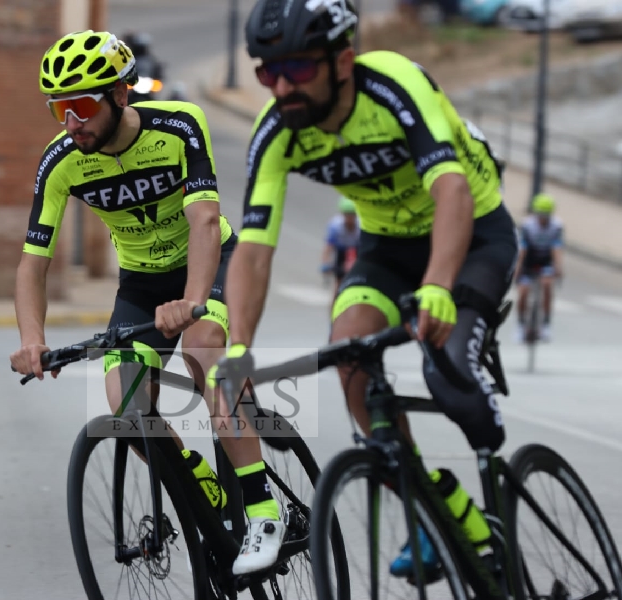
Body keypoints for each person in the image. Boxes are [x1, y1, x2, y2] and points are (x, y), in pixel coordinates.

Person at [212, 0, 518, 578]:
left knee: (447, 371)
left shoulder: (393, 86)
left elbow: (451, 191)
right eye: (265, 71)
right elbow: (253, 248)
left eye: (298, 68)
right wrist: (238, 348)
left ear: (343, 60)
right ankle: (434, 509)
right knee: (351, 354)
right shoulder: (278, 130)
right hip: (387, 252)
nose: (281, 85)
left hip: (472, 235)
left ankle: (496, 495)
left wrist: (437, 288)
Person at [8, 30, 279, 575]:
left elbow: (204, 219)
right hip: (141, 282)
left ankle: (263, 509)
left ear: (121, 96)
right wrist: (31, 340)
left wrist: (195, 302)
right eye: (58, 109)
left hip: (209, 261)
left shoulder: (178, 125)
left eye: (82, 105)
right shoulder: (60, 161)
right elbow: (32, 263)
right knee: (127, 408)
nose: (70, 122)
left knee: (204, 353)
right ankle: (200, 482)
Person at [514, 193, 563, 342]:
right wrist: (518, 269)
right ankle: (521, 325)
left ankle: (546, 324)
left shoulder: (556, 226)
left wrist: (558, 268)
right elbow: (522, 250)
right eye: (541, 215)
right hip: (529, 260)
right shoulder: (528, 225)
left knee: (547, 285)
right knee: (523, 293)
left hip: (545, 261)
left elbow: (557, 249)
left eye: (546, 215)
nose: (543, 218)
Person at [321, 196, 361, 306]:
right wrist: (325, 263)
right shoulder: (335, 226)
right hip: (341, 249)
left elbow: (365, 249)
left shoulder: (361, 225)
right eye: (346, 214)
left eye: (352, 214)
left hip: (356, 249)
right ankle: (333, 315)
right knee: (338, 285)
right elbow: (328, 248)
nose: (349, 218)